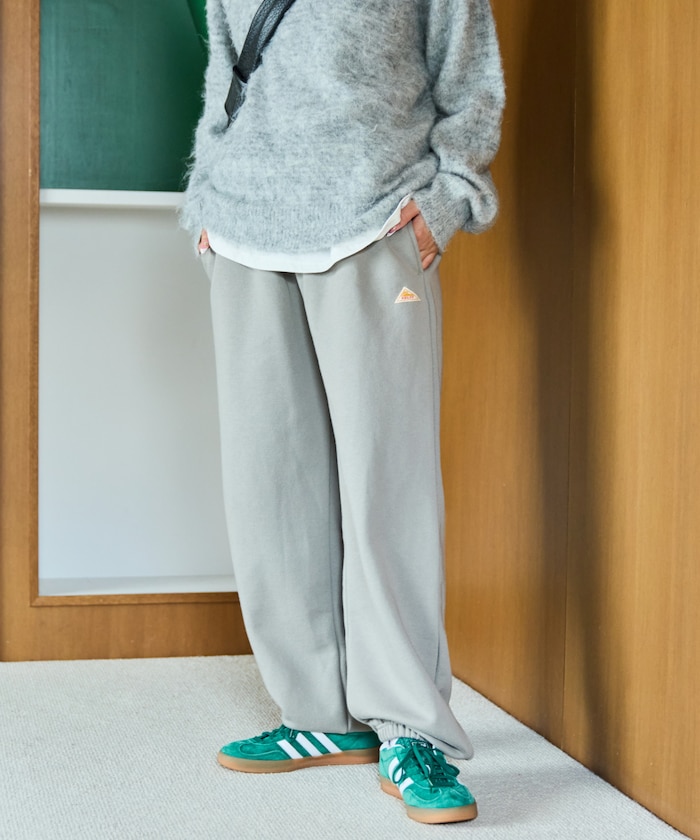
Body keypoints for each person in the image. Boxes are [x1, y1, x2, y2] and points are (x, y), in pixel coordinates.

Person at [182, 0, 504, 825]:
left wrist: (449, 200)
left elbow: (470, 81)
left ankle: (411, 728)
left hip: (373, 219)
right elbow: (227, 76)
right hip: (243, 228)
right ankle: (318, 713)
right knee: (270, 489)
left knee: (386, 489)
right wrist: (202, 202)